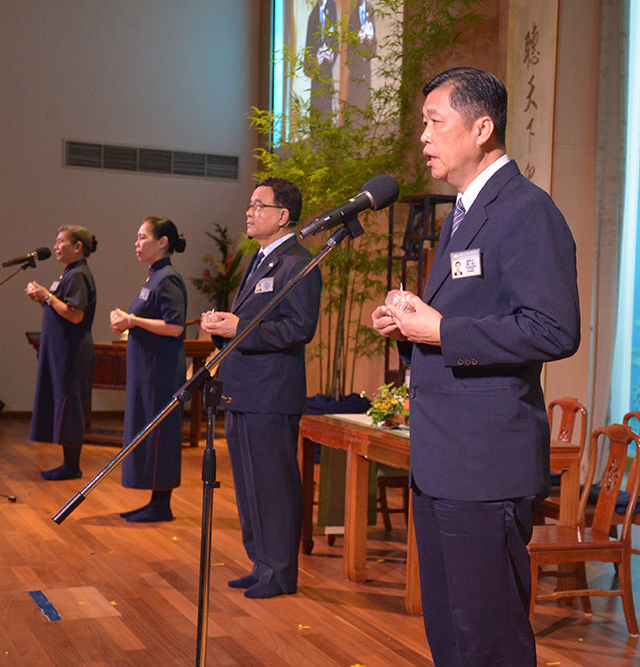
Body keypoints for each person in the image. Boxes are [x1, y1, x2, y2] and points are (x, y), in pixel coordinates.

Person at [372, 67, 581, 666]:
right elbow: (467, 319)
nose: (423, 137)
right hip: (443, 460)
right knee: (450, 631)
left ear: (482, 128)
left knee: (488, 639)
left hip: (485, 463)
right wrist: (411, 328)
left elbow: (554, 328)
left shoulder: (525, 210)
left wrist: (440, 330)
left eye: (435, 122)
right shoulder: (462, 213)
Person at [201, 177, 321, 599]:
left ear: (283, 215)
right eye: (250, 205)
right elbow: (250, 322)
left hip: (271, 394)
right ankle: (261, 564)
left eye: (258, 205)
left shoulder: (298, 263)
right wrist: (223, 327)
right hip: (243, 389)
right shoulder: (260, 259)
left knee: (273, 487)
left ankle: (280, 573)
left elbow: (299, 328)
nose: (249, 213)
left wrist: (239, 327)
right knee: (251, 485)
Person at [109, 217, 188, 522]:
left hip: (161, 372)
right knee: (148, 431)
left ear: (163, 242)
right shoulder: (154, 277)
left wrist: (132, 320)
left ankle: (161, 505)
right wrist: (128, 322)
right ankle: (154, 501)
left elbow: (175, 326)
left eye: (143, 237)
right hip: (148, 369)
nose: (137, 243)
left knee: (160, 434)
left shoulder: (168, 278)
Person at [26, 226, 98, 480]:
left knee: (70, 407)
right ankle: (67, 464)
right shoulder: (69, 273)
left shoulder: (78, 275)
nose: (55, 247)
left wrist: (47, 295)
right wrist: (43, 299)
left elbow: (75, 315)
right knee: (61, 403)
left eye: (60, 242)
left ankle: (71, 466)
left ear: (77, 247)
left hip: (72, 352)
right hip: (61, 350)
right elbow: (59, 311)